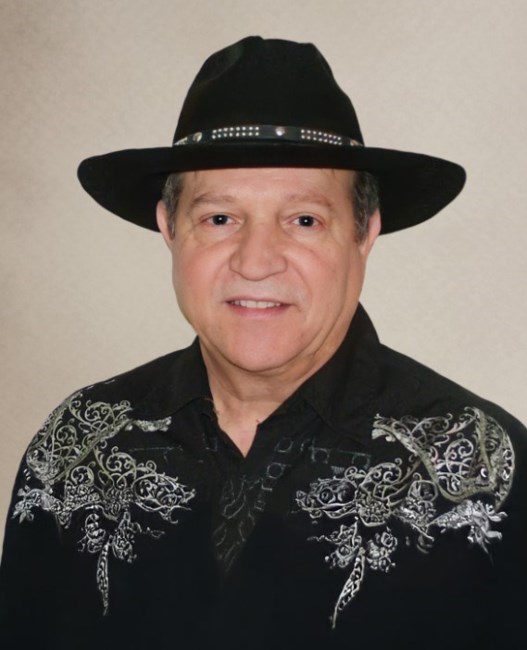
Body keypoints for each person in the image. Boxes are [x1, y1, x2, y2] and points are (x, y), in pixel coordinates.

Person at [0, 36, 525, 650]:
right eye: (219, 219)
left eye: (304, 220)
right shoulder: (75, 449)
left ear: (365, 233)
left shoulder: (490, 471)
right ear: (170, 228)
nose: (255, 261)